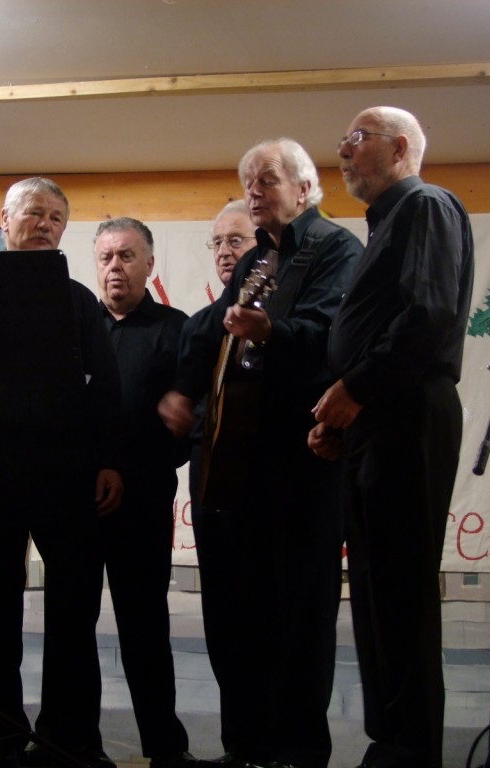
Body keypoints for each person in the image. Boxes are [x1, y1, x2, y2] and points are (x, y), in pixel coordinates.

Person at [159, 138, 363, 768]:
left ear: (305, 190)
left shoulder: (336, 248)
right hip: (237, 470)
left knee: (298, 616)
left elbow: (335, 336)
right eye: (248, 181)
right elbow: (208, 334)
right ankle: (243, 748)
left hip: (300, 462)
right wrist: (182, 390)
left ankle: (297, 754)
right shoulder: (262, 260)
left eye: (266, 179)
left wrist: (271, 329)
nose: (254, 191)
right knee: (234, 616)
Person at [0, 177, 123, 768]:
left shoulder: (80, 301)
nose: (44, 225)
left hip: (67, 474)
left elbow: (106, 391)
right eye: (33, 214)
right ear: (5, 223)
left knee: (74, 611)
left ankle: (69, 741)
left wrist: (109, 458)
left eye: (55, 217)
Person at [309, 106, 474, 768]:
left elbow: (427, 313)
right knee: (376, 590)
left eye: (356, 138)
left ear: (400, 147)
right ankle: (390, 742)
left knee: (401, 590)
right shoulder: (383, 227)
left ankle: (410, 750)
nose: (342, 150)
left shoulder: (427, 205)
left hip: (407, 410)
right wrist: (339, 419)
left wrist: (358, 390)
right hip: (377, 419)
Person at [91, 217, 193, 768]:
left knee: (145, 627)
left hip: (144, 503)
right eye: (106, 256)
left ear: (149, 265)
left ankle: (164, 747)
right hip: (77, 505)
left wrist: (130, 468)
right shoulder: (78, 327)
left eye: (127, 256)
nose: (115, 267)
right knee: (72, 626)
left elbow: (184, 423)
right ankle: (76, 742)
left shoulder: (176, 329)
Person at [185, 201, 255, 760]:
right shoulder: (205, 323)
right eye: (218, 243)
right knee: (224, 625)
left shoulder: (283, 309)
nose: (227, 251)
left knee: (267, 628)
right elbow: (187, 381)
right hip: (212, 494)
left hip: (269, 496)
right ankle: (238, 746)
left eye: (239, 239)